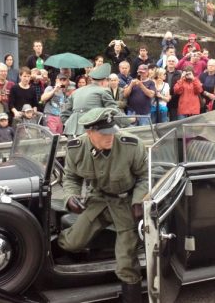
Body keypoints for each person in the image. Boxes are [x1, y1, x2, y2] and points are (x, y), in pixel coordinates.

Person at [58, 107, 147, 303]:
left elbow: (145, 175)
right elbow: (71, 177)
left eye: (112, 131)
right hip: (98, 200)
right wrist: (71, 196)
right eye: (104, 133)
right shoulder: (76, 148)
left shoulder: (131, 145)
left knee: (126, 261)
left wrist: (139, 200)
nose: (110, 137)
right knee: (72, 243)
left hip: (126, 203)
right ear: (89, 132)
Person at [61, 64, 118, 136]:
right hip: (92, 130)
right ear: (104, 81)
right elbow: (113, 110)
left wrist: (70, 123)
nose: (108, 84)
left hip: (72, 131)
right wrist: (128, 121)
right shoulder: (103, 91)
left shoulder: (76, 92)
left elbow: (64, 113)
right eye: (108, 81)